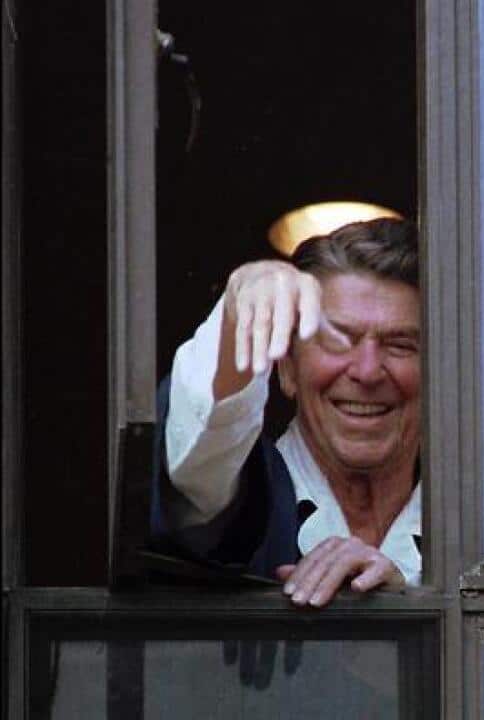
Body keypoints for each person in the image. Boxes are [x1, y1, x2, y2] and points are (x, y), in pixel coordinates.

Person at [151, 217, 422, 608]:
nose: (366, 371)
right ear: (288, 369)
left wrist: (409, 607)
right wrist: (239, 309)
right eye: (337, 341)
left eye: (400, 345)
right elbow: (199, 454)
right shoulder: (241, 492)